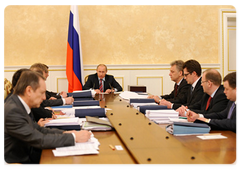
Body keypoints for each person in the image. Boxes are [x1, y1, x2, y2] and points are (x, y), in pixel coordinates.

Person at [2, 70, 91, 164]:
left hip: (29, 154)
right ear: (29, 91)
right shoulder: (13, 110)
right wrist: (74, 137)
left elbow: (39, 130)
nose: (44, 97)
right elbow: (39, 139)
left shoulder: (19, 103)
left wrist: (66, 132)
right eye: (42, 93)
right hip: (18, 162)